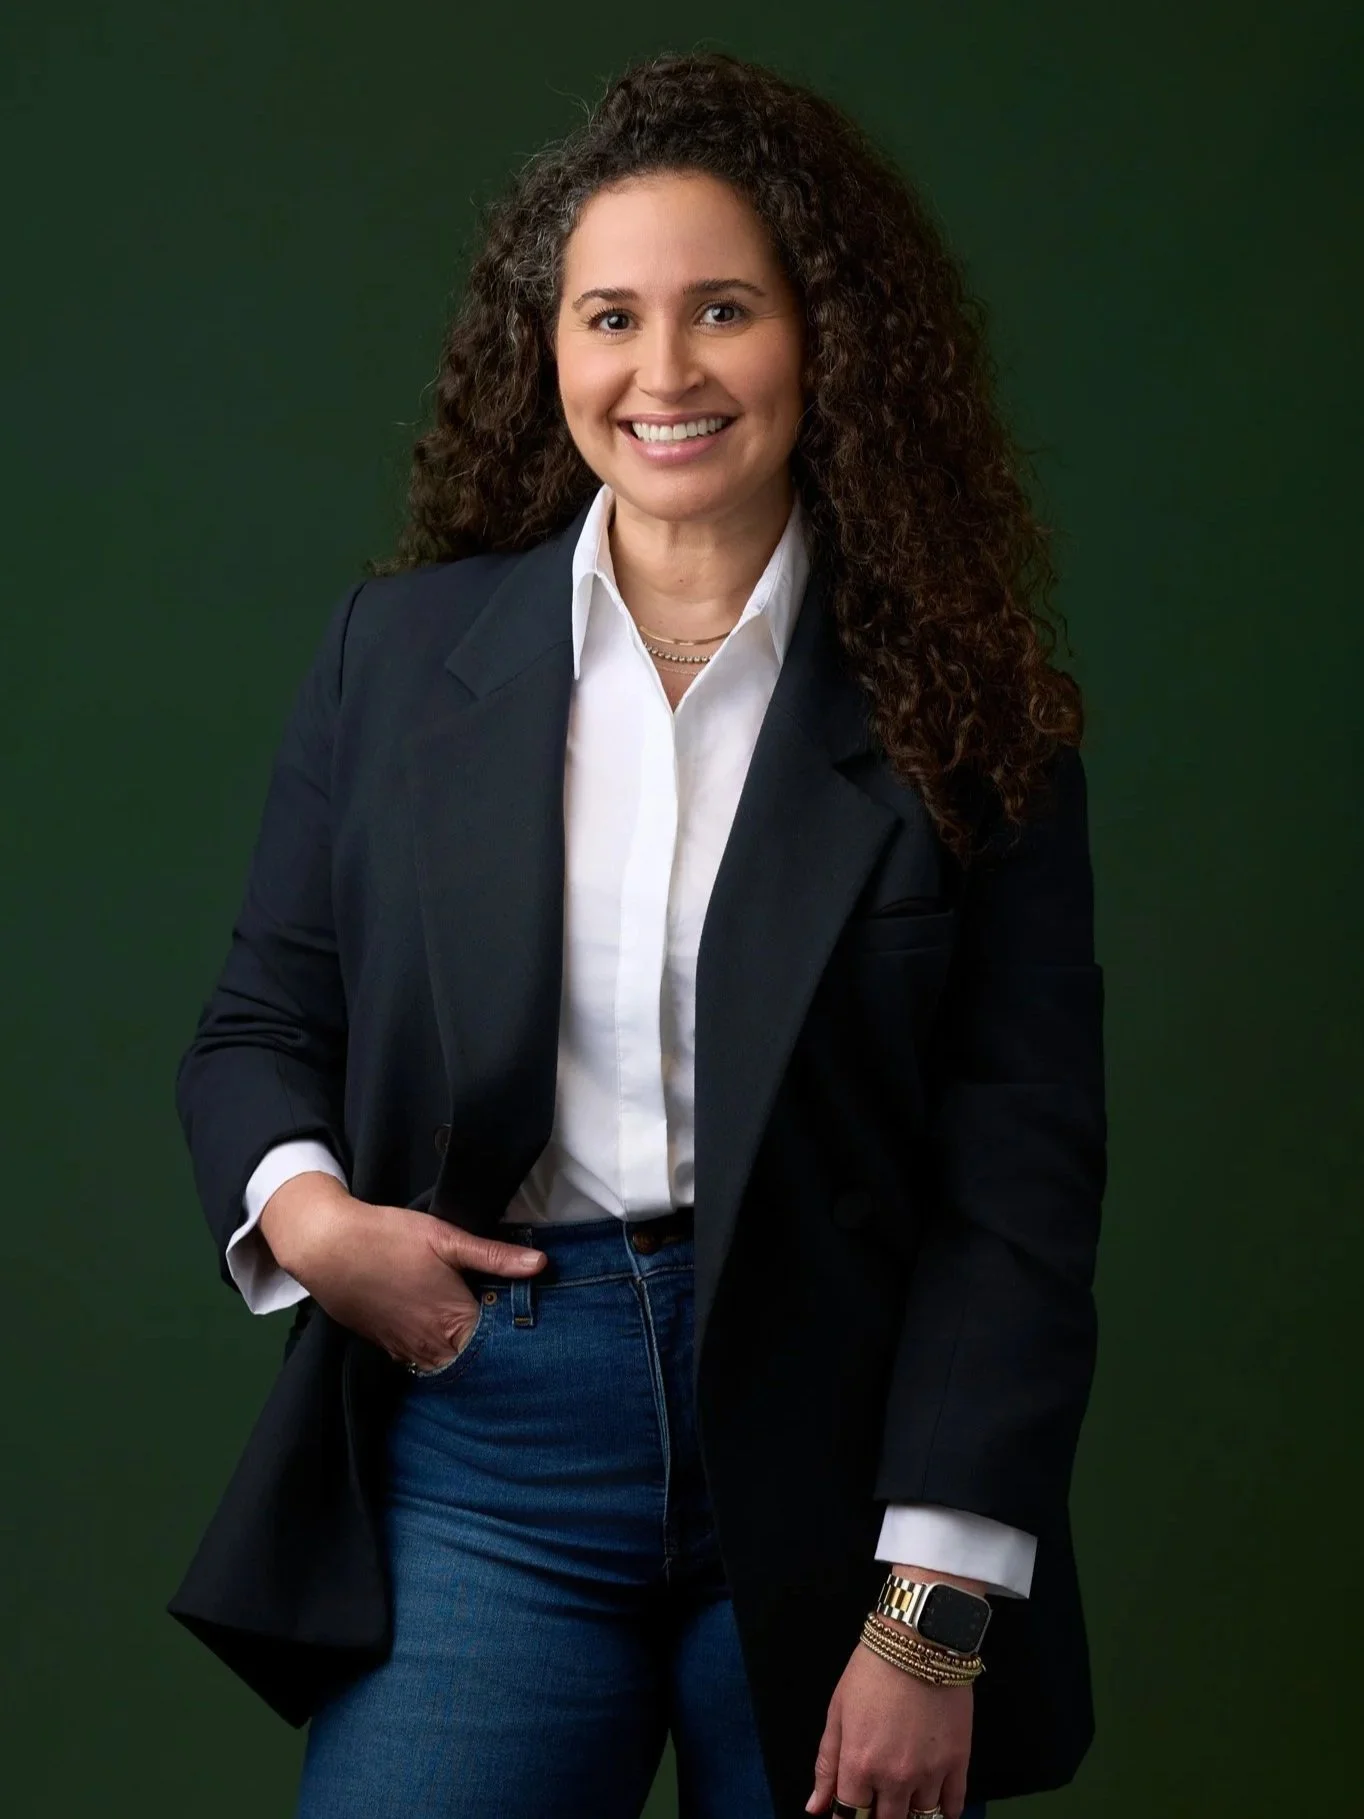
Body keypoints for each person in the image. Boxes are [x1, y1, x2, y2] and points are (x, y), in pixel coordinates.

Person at [168, 48, 1106, 1819]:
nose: (662, 371)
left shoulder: (972, 716)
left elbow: (1021, 1177)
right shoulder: (398, 658)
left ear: (822, 339)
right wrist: (313, 1220)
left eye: (724, 310)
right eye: (609, 315)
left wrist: (933, 1619)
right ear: (553, 351)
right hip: (488, 1445)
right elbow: (256, 1024)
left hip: (847, 1469)